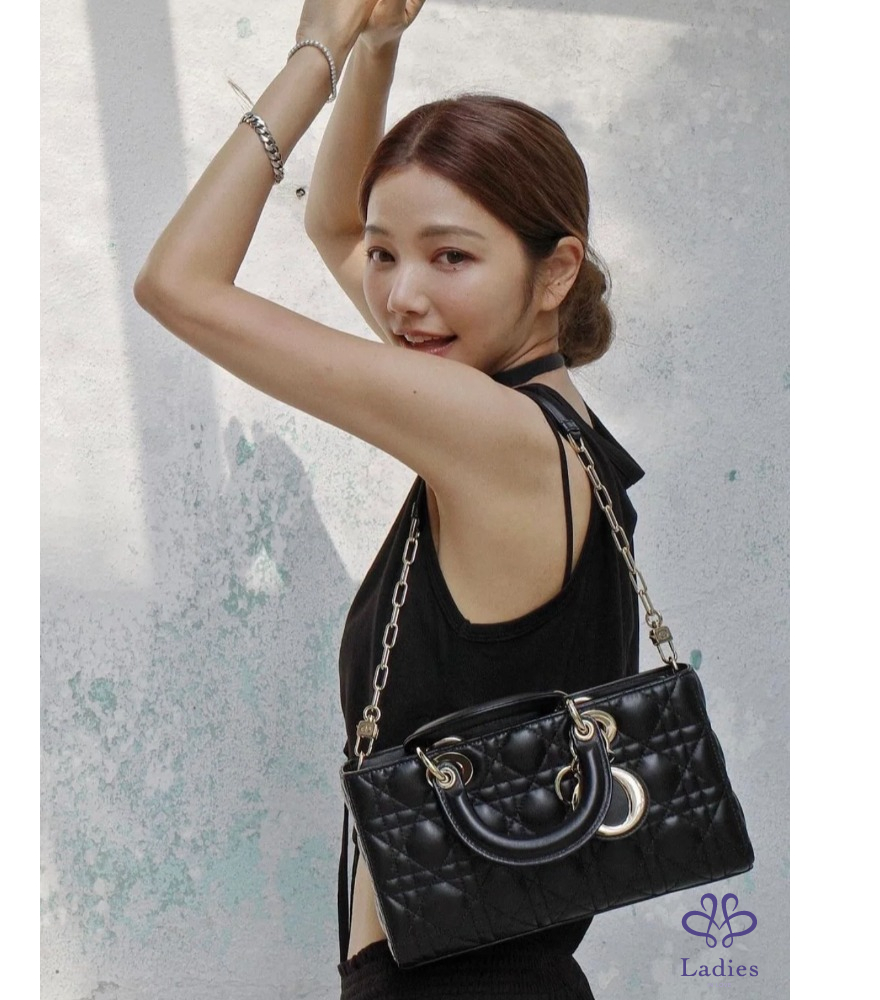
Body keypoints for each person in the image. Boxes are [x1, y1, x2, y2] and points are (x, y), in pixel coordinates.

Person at [135, 2, 644, 996]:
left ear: (556, 270)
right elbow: (334, 222)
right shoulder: (540, 425)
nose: (402, 298)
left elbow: (177, 282)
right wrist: (380, 45)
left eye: (451, 256)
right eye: (386, 256)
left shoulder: (489, 434)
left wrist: (316, 54)